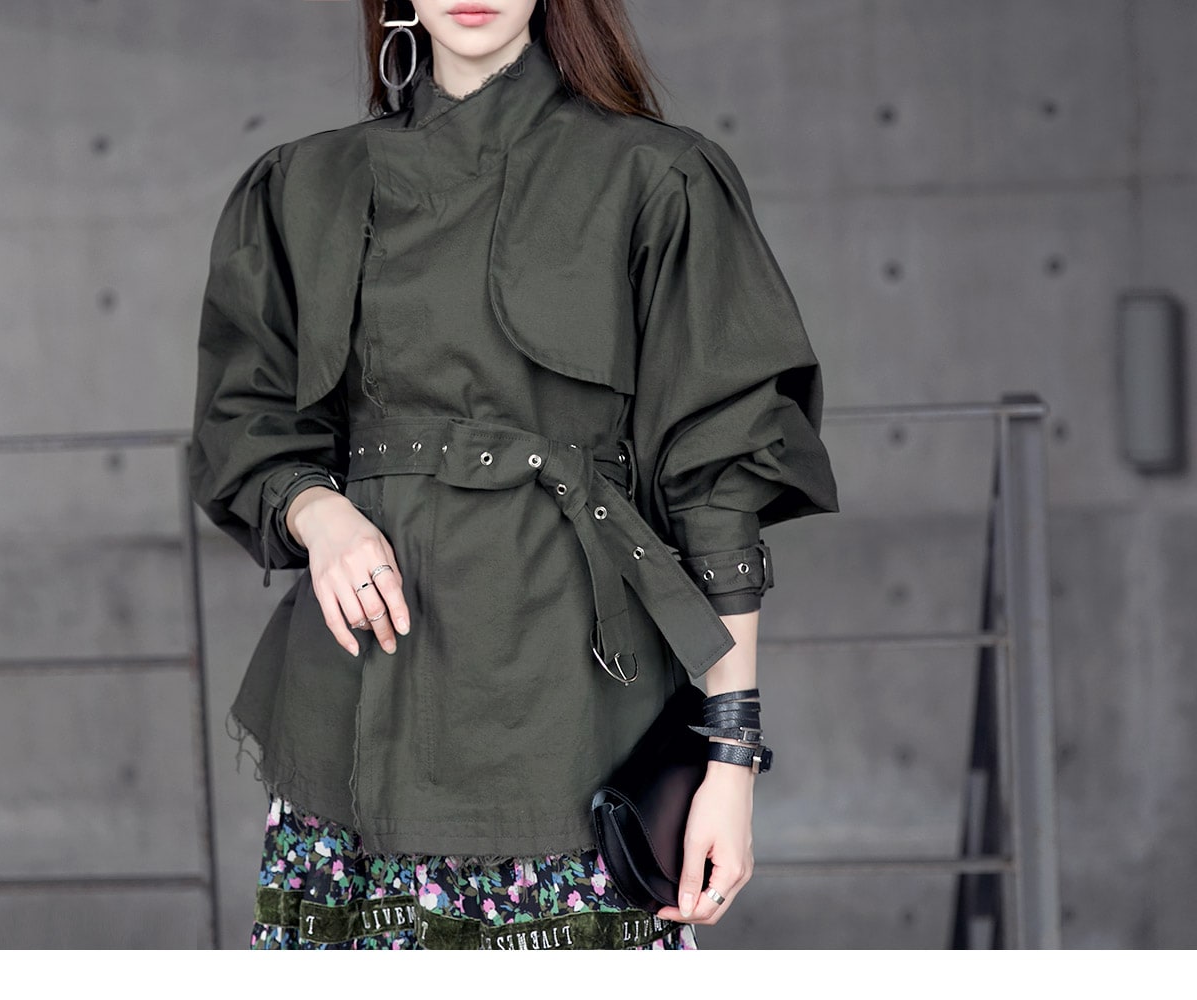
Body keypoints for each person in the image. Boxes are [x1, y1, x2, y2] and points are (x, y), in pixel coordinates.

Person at [188, 0, 838, 950]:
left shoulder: (657, 176)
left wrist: (730, 758)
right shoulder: (303, 184)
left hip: (576, 712)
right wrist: (319, 512)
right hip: (357, 710)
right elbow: (244, 421)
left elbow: (720, 490)